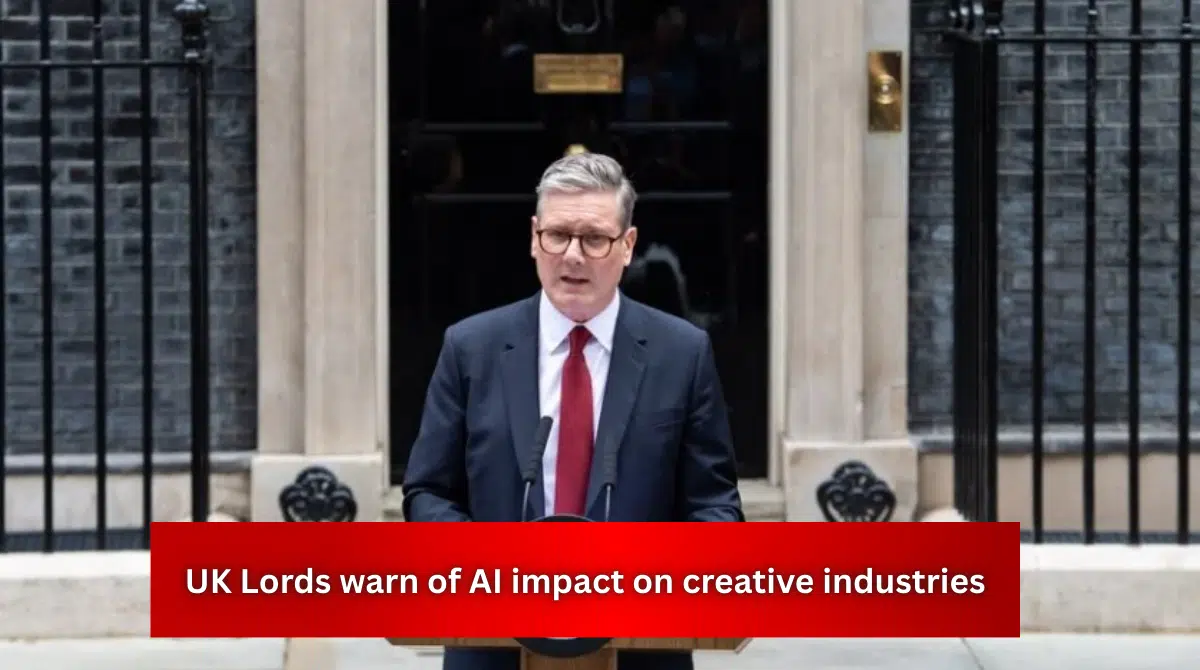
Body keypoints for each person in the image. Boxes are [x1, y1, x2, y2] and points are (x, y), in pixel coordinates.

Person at [402, 152, 743, 670]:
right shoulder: (472, 347)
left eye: (595, 239)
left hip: (640, 648)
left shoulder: (682, 353)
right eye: (557, 236)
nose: (573, 256)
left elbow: (716, 506)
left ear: (628, 246)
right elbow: (428, 492)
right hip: (493, 646)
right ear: (534, 236)